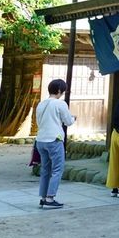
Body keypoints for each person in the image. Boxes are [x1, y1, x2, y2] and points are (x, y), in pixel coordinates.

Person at [35, 79, 75, 209]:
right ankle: (50, 197)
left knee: (45, 169)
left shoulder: (41, 104)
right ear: (59, 91)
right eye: (62, 91)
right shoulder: (60, 104)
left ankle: (43, 197)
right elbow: (68, 121)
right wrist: (74, 118)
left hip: (41, 140)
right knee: (57, 169)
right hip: (54, 139)